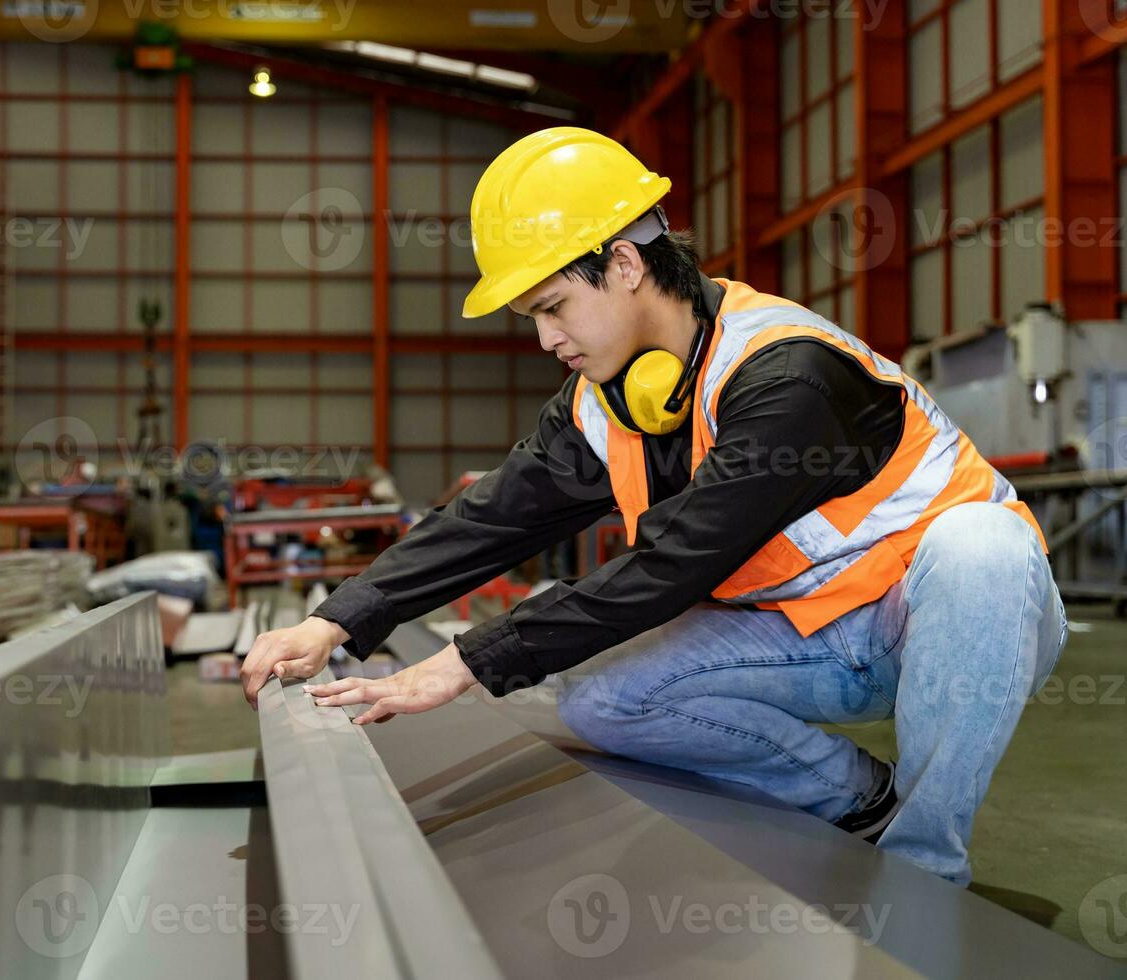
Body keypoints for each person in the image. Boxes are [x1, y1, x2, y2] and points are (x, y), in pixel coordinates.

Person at [239, 127, 1066, 885]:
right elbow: (497, 516)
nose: (546, 340)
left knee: (982, 543)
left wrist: (463, 663)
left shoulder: (788, 376)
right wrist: (337, 620)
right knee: (603, 701)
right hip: (808, 638)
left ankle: (925, 867)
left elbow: (676, 561)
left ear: (627, 264)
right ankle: (861, 800)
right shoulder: (605, 399)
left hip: (939, 624)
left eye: (554, 307)